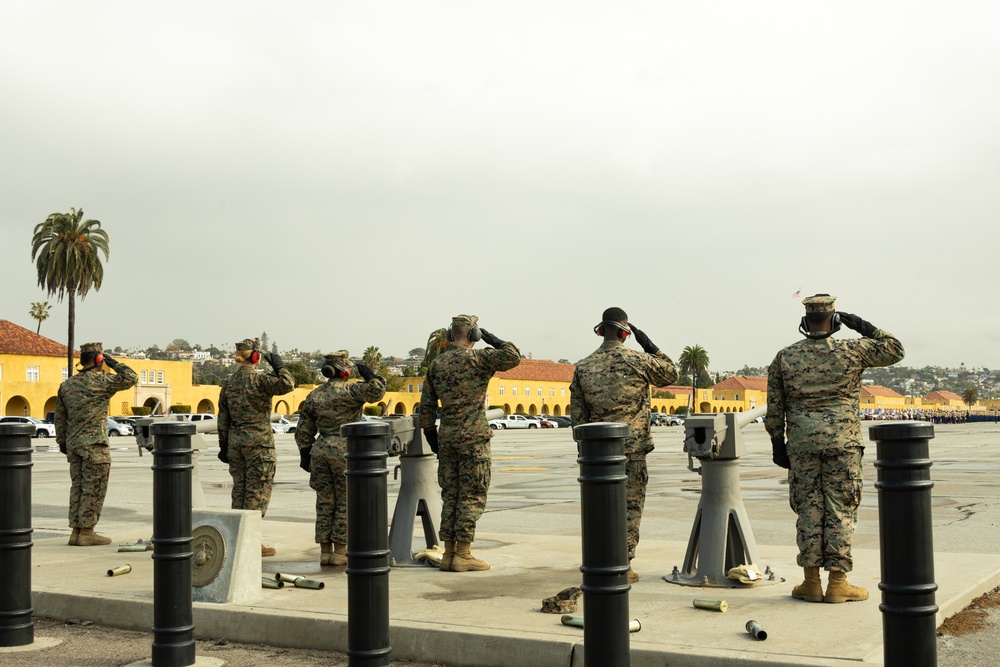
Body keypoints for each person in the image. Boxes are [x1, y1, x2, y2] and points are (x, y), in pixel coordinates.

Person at [765, 294, 904, 603]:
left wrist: (778, 442)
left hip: (801, 445)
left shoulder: (785, 357)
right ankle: (838, 584)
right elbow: (895, 349)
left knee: (809, 509)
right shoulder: (851, 351)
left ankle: (811, 582)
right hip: (842, 443)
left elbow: (775, 408)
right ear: (836, 321)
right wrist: (864, 327)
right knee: (840, 509)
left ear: (804, 322)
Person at [570, 307, 677, 583]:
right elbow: (671, 374)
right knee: (629, 507)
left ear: (599, 331)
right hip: (632, 448)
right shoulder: (637, 361)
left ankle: (601, 559)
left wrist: (586, 453)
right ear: (624, 333)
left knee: (600, 507)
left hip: (598, 452)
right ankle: (623, 564)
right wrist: (649, 345)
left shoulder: (583, 366)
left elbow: (578, 418)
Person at [419, 315, 520, 572]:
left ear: (451, 335)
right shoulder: (478, 359)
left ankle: (450, 553)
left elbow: (427, 407)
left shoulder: (437, 364)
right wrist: (492, 338)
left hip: (447, 438)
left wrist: (432, 437)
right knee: (472, 494)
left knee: (451, 495)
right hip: (473, 438)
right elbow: (512, 356)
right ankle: (463, 554)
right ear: (473, 334)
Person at [295, 351, 386, 566]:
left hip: (320, 449)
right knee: (345, 501)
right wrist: (372, 376)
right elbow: (377, 392)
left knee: (325, 502)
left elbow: (303, 429)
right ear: (344, 370)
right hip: (346, 450)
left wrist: (304, 453)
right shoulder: (352, 391)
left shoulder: (315, 395)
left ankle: (325, 551)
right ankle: (340, 551)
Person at [55, 342, 138, 546]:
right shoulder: (101, 382)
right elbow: (131, 378)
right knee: (94, 488)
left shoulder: (67, 385)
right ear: (99, 359)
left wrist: (62, 442)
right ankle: (87, 532)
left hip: (73, 444)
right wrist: (114, 363)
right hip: (95, 445)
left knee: (78, 487)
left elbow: (59, 417)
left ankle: (76, 531)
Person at [217, 337, 295, 557]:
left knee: (239, 491)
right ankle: (250, 543)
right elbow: (288, 384)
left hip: (235, 443)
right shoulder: (260, 380)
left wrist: (223, 445)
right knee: (257, 492)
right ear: (255, 356)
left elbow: (223, 417)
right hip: (259, 443)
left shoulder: (229, 383)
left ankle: (235, 539)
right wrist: (279, 366)